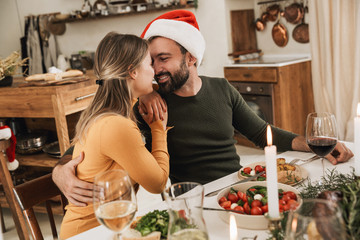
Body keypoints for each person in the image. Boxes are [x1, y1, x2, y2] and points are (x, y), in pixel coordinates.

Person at [52, 10, 353, 207]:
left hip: (240, 190)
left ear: (191, 58)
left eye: (164, 58)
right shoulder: (148, 104)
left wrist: (310, 143)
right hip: (192, 203)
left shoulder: (221, 88)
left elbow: (262, 133)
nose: (155, 69)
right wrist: (60, 172)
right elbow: (88, 140)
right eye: (151, 60)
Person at [59, 32, 170, 239]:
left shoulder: (102, 114)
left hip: (107, 229)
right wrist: (158, 127)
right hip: (91, 234)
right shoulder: (116, 125)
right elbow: (158, 184)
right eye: (149, 64)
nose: (154, 71)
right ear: (132, 72)